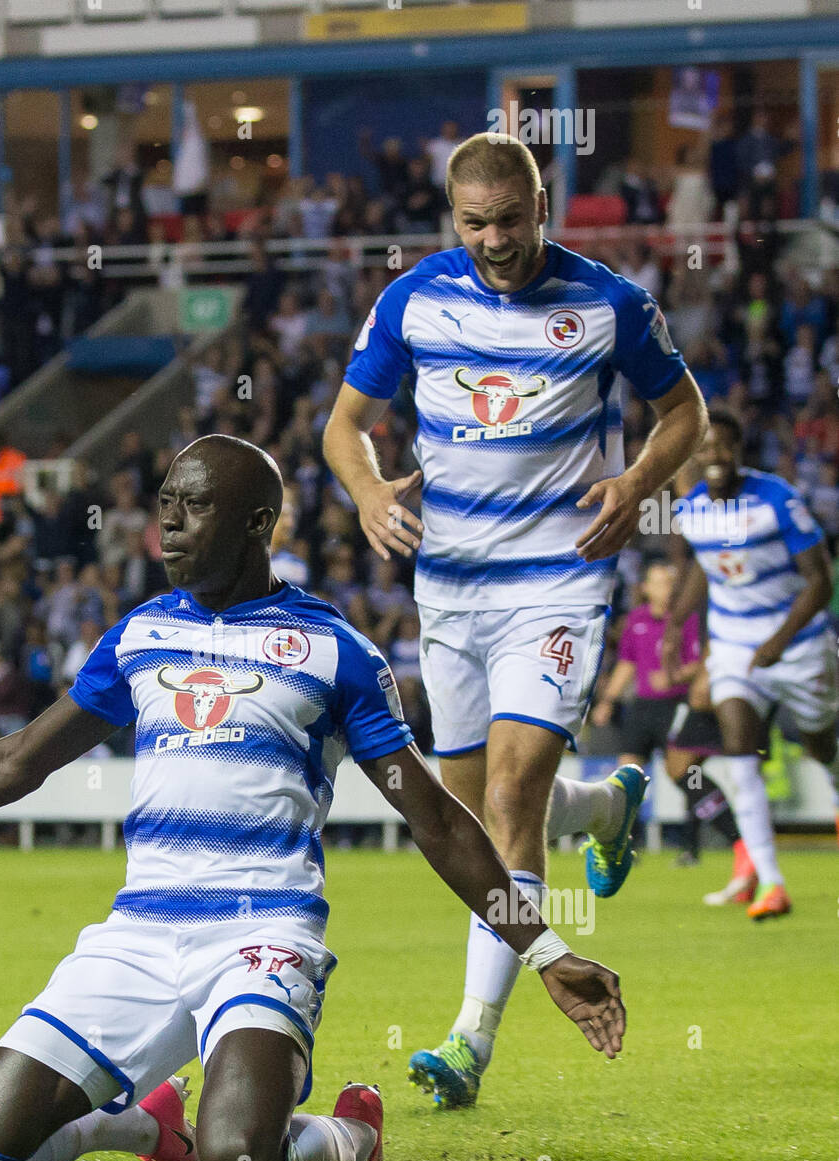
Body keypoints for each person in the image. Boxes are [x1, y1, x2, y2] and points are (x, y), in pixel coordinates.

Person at [0, 435, 625, 1161]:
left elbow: (434, 819)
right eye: (163, 504)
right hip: (136, 936)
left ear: (255, 523)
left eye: (192, 507)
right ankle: (132, 1126)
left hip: (261, 933)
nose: (165, 523)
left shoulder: (333, 650)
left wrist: (544, 951)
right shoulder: (139, 635)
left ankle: (353, 1134)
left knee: (238, 1158)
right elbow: (18, 760)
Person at [323, 133, 705, 1108]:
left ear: (542, 206)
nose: (494, 240)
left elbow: (682, 415)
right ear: (453, 217)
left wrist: (632, 484)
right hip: (449, 590)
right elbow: (341, 425)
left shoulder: (608, 303)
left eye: (510, 219)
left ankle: (467, 1038)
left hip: (557, 584)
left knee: (505, 794)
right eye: (474, 222)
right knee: (473, 815)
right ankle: (607, 807)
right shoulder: (412, 299)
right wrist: (367, 493)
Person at [663, 408, 839, 919]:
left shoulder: (778, 499)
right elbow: (702, 565)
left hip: (800, 643)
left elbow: (820, 581)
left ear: (740, 451)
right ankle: (771, 882)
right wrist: (677, 624)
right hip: (734, 644)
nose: (714, 457)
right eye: (706, 448)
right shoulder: (693, 509)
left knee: (820, 743)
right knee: (739, 751)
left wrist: (780, 640)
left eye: (724, 447)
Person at [591, 561, 747, 868]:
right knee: (626, 777)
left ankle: (717, 841)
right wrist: (607, 700)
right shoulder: (636, 620)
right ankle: (623, 847)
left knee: (686, 776)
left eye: (670, 582)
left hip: (678, 705)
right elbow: (627, 664)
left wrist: (674, 677)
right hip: (642, 707)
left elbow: (701, 662)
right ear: (646, 587)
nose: (667, 588)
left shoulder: (687, 620)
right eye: (659, 582)